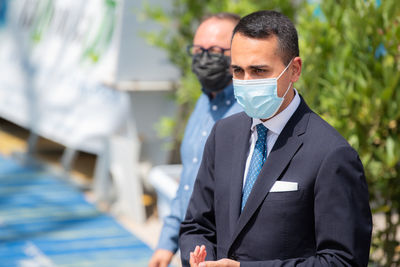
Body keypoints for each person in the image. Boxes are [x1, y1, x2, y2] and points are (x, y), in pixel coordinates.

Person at [179, 10, 372, 267]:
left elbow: (343, 261)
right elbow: (196, 224)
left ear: (294, 70)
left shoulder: (331, 154)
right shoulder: (223, 135)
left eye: (259, 71)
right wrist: (201, 260)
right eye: (238, 70)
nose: (246, 81)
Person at [148, 13, 242, 267]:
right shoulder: (202, 104)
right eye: (198, 50)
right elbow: (188, 184)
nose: (203, 58)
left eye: (214, 50)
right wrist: (167, 243)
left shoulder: (249, 113)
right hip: (194, 252)